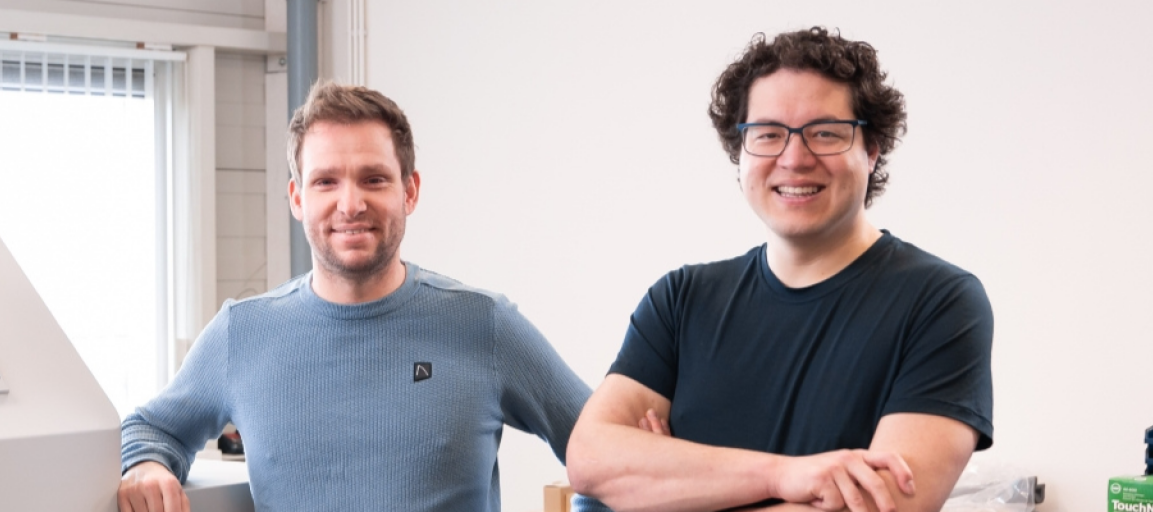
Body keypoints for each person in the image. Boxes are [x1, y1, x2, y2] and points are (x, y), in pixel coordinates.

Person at [117, 82, 607, 512]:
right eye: (325, 182)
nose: (350, 204)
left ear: (409, 191)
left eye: (373, 179)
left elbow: (608, 451)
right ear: (297, 198)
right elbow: (149, 429)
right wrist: (145, 466)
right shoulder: (242, 333)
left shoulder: (485, 324)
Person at [567, 27, 995, 512]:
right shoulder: (681, 300)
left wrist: (675, 484)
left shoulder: (940, 302)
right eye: (768, 134)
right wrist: (786, 475)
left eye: (826, 133)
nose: (794, 159)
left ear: (872, 150)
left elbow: (884, 504)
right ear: (740, 151)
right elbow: (589, 459)